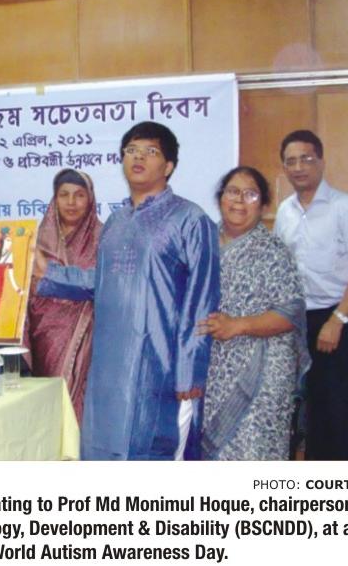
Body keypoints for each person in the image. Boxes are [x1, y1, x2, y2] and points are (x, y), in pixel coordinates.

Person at [44, 122, 220, 460]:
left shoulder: (190, 219)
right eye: (131, 151)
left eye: (150, 151)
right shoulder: (116, 222)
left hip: (161, 369)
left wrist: (189, 370)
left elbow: (202, 299)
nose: (138, 157)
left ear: (168, 166)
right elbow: (100, 282)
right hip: (108, 369)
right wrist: (43, 275)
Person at [274, 129, 348, 460]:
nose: (298, 167)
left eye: (306, 159)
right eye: (291, 161)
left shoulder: (345, 207)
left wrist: (338, 320)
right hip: (306, 318)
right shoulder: (285, 211)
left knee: (344, 409)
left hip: (346, 314)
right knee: (313, 407)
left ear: (321, 162)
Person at [198, 166, 309, 460]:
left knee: (252, 453)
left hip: (261, 376)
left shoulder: (273, 251)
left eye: (250, 194)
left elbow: (290, 312)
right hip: (210, 371)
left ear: (262, 206)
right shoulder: (201, 243)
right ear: (220, 198)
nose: (239, 200)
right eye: (233, 192)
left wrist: (238, 325)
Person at [25, 169, 102, 423]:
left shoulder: (105, 239)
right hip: (42, 339)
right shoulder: (36, 240)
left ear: (90, 199)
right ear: (54, 199)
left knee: (79, 409)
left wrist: (46, 279)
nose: (71, 202)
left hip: (87, 339)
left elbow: (100, 284)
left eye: (79, 195)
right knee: (44, 409)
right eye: (64, 195)